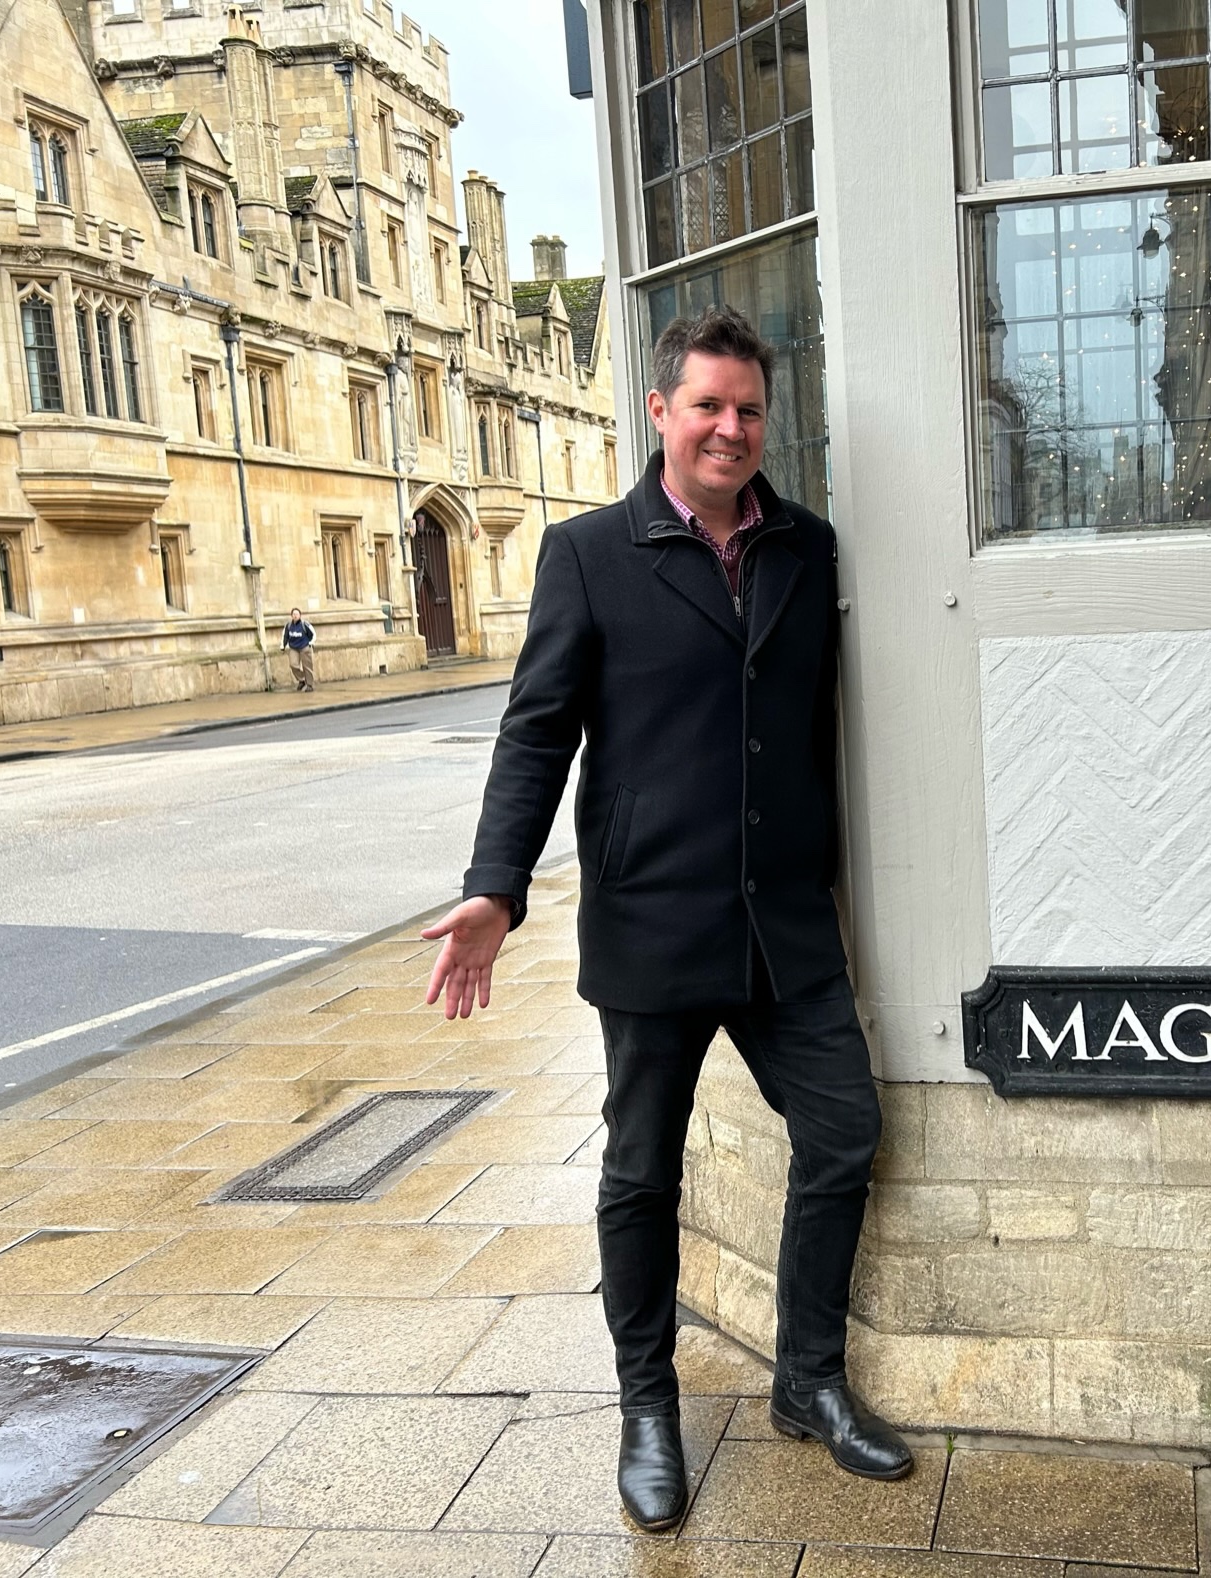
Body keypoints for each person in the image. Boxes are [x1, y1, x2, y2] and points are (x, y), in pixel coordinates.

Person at [421, 304, 911, 1531]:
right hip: (652, 924)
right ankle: (647, 1408)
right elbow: (536, 734)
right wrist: (496, 885)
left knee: (843, 1132)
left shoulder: (807, 548)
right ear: (659, 412)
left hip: (784, 925)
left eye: (748, 410)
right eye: (706, 406)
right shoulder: (588, 554)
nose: (729, 429)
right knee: (641, 1173)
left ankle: (806, 1380)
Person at [281, 608, 316, 691]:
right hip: (293, 648)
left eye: (297, 614)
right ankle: (302, 679)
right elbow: (285, 636)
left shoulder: (305, 624)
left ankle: (309, 685)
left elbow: (313, 634)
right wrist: (283, 646)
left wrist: (311, 643)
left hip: (305, 646)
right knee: (293, 665)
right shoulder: (288, 626)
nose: (295, 616)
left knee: (307, 666)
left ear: (300, 615)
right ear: (291, 616)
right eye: (293, 614)